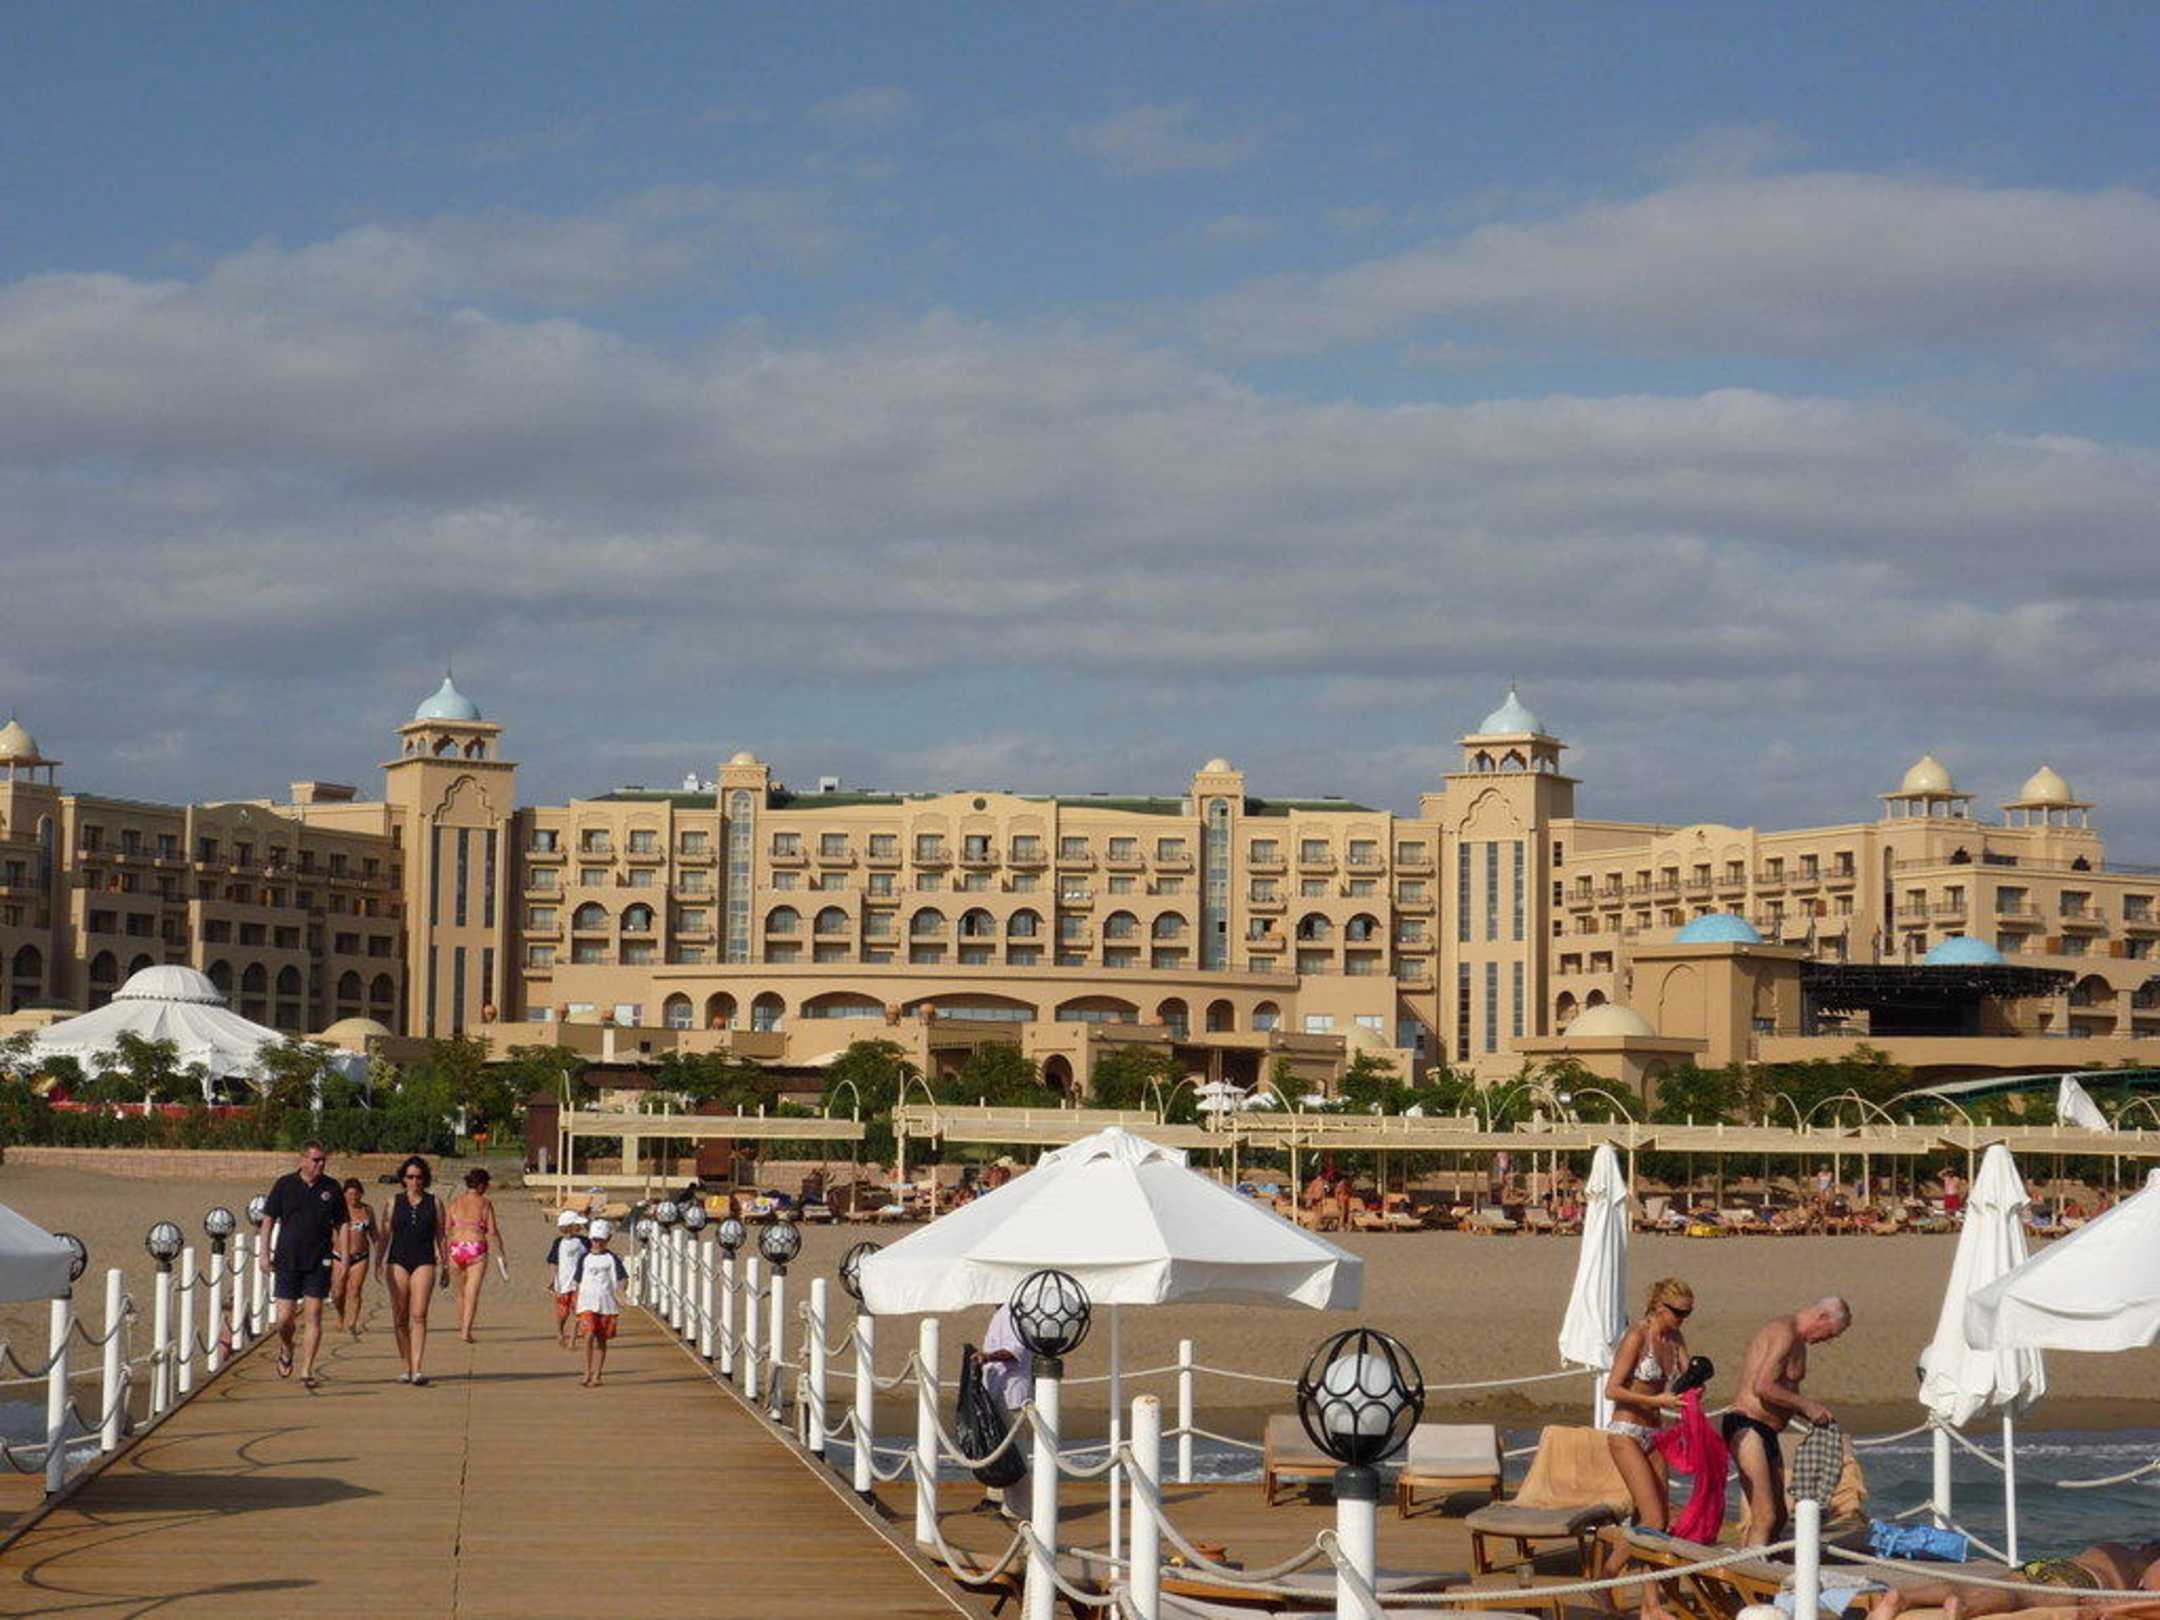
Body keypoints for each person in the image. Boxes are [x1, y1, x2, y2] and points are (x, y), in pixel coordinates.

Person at [1722, 1297, 1852, 1546]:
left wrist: (1815, 1414)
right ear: (1822, 1318)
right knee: (1765, 1516)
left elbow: (1786, 1393)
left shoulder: (1799, 1343)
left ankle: (1761, 1561)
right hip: (1747, 1426)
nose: (1828, 1340)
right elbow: (1763, 1387)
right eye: (1831, 1333)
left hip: (1768, 1431)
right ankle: (1750, 1568)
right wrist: (1808, 1406)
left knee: (1779, 1517)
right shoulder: (1784, 1332)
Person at [1602, 1278, 1697, 1620]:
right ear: (1659, 1307)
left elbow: (1688, 1377)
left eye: (1688, 1313)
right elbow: (1612, 1390)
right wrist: (1655, 1401)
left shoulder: (1675, 1339)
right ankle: (1604, 1578)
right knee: (1654, 1518)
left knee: (1657, 1522)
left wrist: (1693, 1389)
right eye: (1678, 1312)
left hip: (1654, 1433)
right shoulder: (1637, 1337)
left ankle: (1650, 1605)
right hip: (1626, 1431)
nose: (1683, 1319)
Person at [1865, 1539, 2160, 1620]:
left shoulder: (2111, 1547)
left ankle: (1903, 1597)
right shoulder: (2145, 1563)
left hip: (2050, 1565)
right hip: (2082, 1580)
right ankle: (1965, 1608)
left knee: (1986, 1583)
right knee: (2021, 1596)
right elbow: (2150, 1593)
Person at [259, 1141, 343, 1389]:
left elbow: (342, 1223)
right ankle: (287, 1347)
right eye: (316, 1160)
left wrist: (344, 1257)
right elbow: (268, 1220)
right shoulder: (285, 1184)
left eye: (323, 1160)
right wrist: (264, 1254)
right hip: (287, 1259)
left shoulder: (331, 1187)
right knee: (284, 1318)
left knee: (313, 1314)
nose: (320, 1164)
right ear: (303, 1160)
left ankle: (307, 1370)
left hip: (319, 1260)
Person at [384, 1154, 447, 1385]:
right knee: (400, 1316)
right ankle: (406, 1365)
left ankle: (418, 1368)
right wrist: (379, 1260)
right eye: (410, 1177)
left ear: (425, 1179)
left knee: (418, 1314)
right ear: (403, 1178)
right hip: (397, 1260)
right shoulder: (393, 1202)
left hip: (424, 1260)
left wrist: (445, 1264)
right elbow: (385, 1234)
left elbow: (441, 1235)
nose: (414, 1181)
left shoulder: (435, 1202)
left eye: (419, 1177)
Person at [980, 1301, 1035, 1522]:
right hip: (998, 1391)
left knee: (1016, 1453)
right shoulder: (1003, 1313)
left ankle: (1018, 1510)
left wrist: (988, 1357)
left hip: (1012, 1394)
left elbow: (1015, 1351)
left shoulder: (1013, 1313)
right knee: (999, 1448)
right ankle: (998, 1498)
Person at [445, 1166, 507, 1343]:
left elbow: (447, 1229)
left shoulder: (454, 1202)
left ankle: (462, 1325)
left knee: (460, 1293)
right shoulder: (485, 1203)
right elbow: (492, 1231)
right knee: (471, 1293)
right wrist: (501, 1253)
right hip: (475, 1247)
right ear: (481, 1185)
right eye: (486, 1185)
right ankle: (466, 1331)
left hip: (456, 1247)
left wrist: (443, 1252)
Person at [572, 1219, 630, 1387]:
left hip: (606, 1304)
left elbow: (623, 1278)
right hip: (586, 1303)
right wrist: (576, 1302)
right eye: (595, 1240)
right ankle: (587, 1371)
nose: (597, 1243)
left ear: (607, 1240)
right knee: (589, 1335)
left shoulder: (612, 1258)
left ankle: (597, 1374)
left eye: (601, 1240)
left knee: (601, 1339)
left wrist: (621, 1291)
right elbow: (577, 1281)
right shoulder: (584, 1258)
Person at [331, 1177, 377, 1339]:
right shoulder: (337, 1210)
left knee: (355, 1290)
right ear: (343, 1195)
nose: (353, 1198)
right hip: (338, 1256)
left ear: (361, 1194)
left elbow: (374, 1234)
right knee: (337, 1292)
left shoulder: (367, 1210)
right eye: (349, 1194)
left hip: (360, 1256)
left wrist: (380, 1254)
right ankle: (340, 1314)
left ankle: (352, 1323)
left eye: (356, 1194)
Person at [546, 1210, 588, 1350]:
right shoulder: (558, 1242)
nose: (580, 1227)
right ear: (569, 1227)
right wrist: (552, 1279)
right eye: (577, 1224)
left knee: (578, 1311)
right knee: (563, 1313)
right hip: (562, 1284)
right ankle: (560, 1331)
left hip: (579, 1283)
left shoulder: (584, 1241)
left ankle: (572, 1339)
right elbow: (553, 1262)